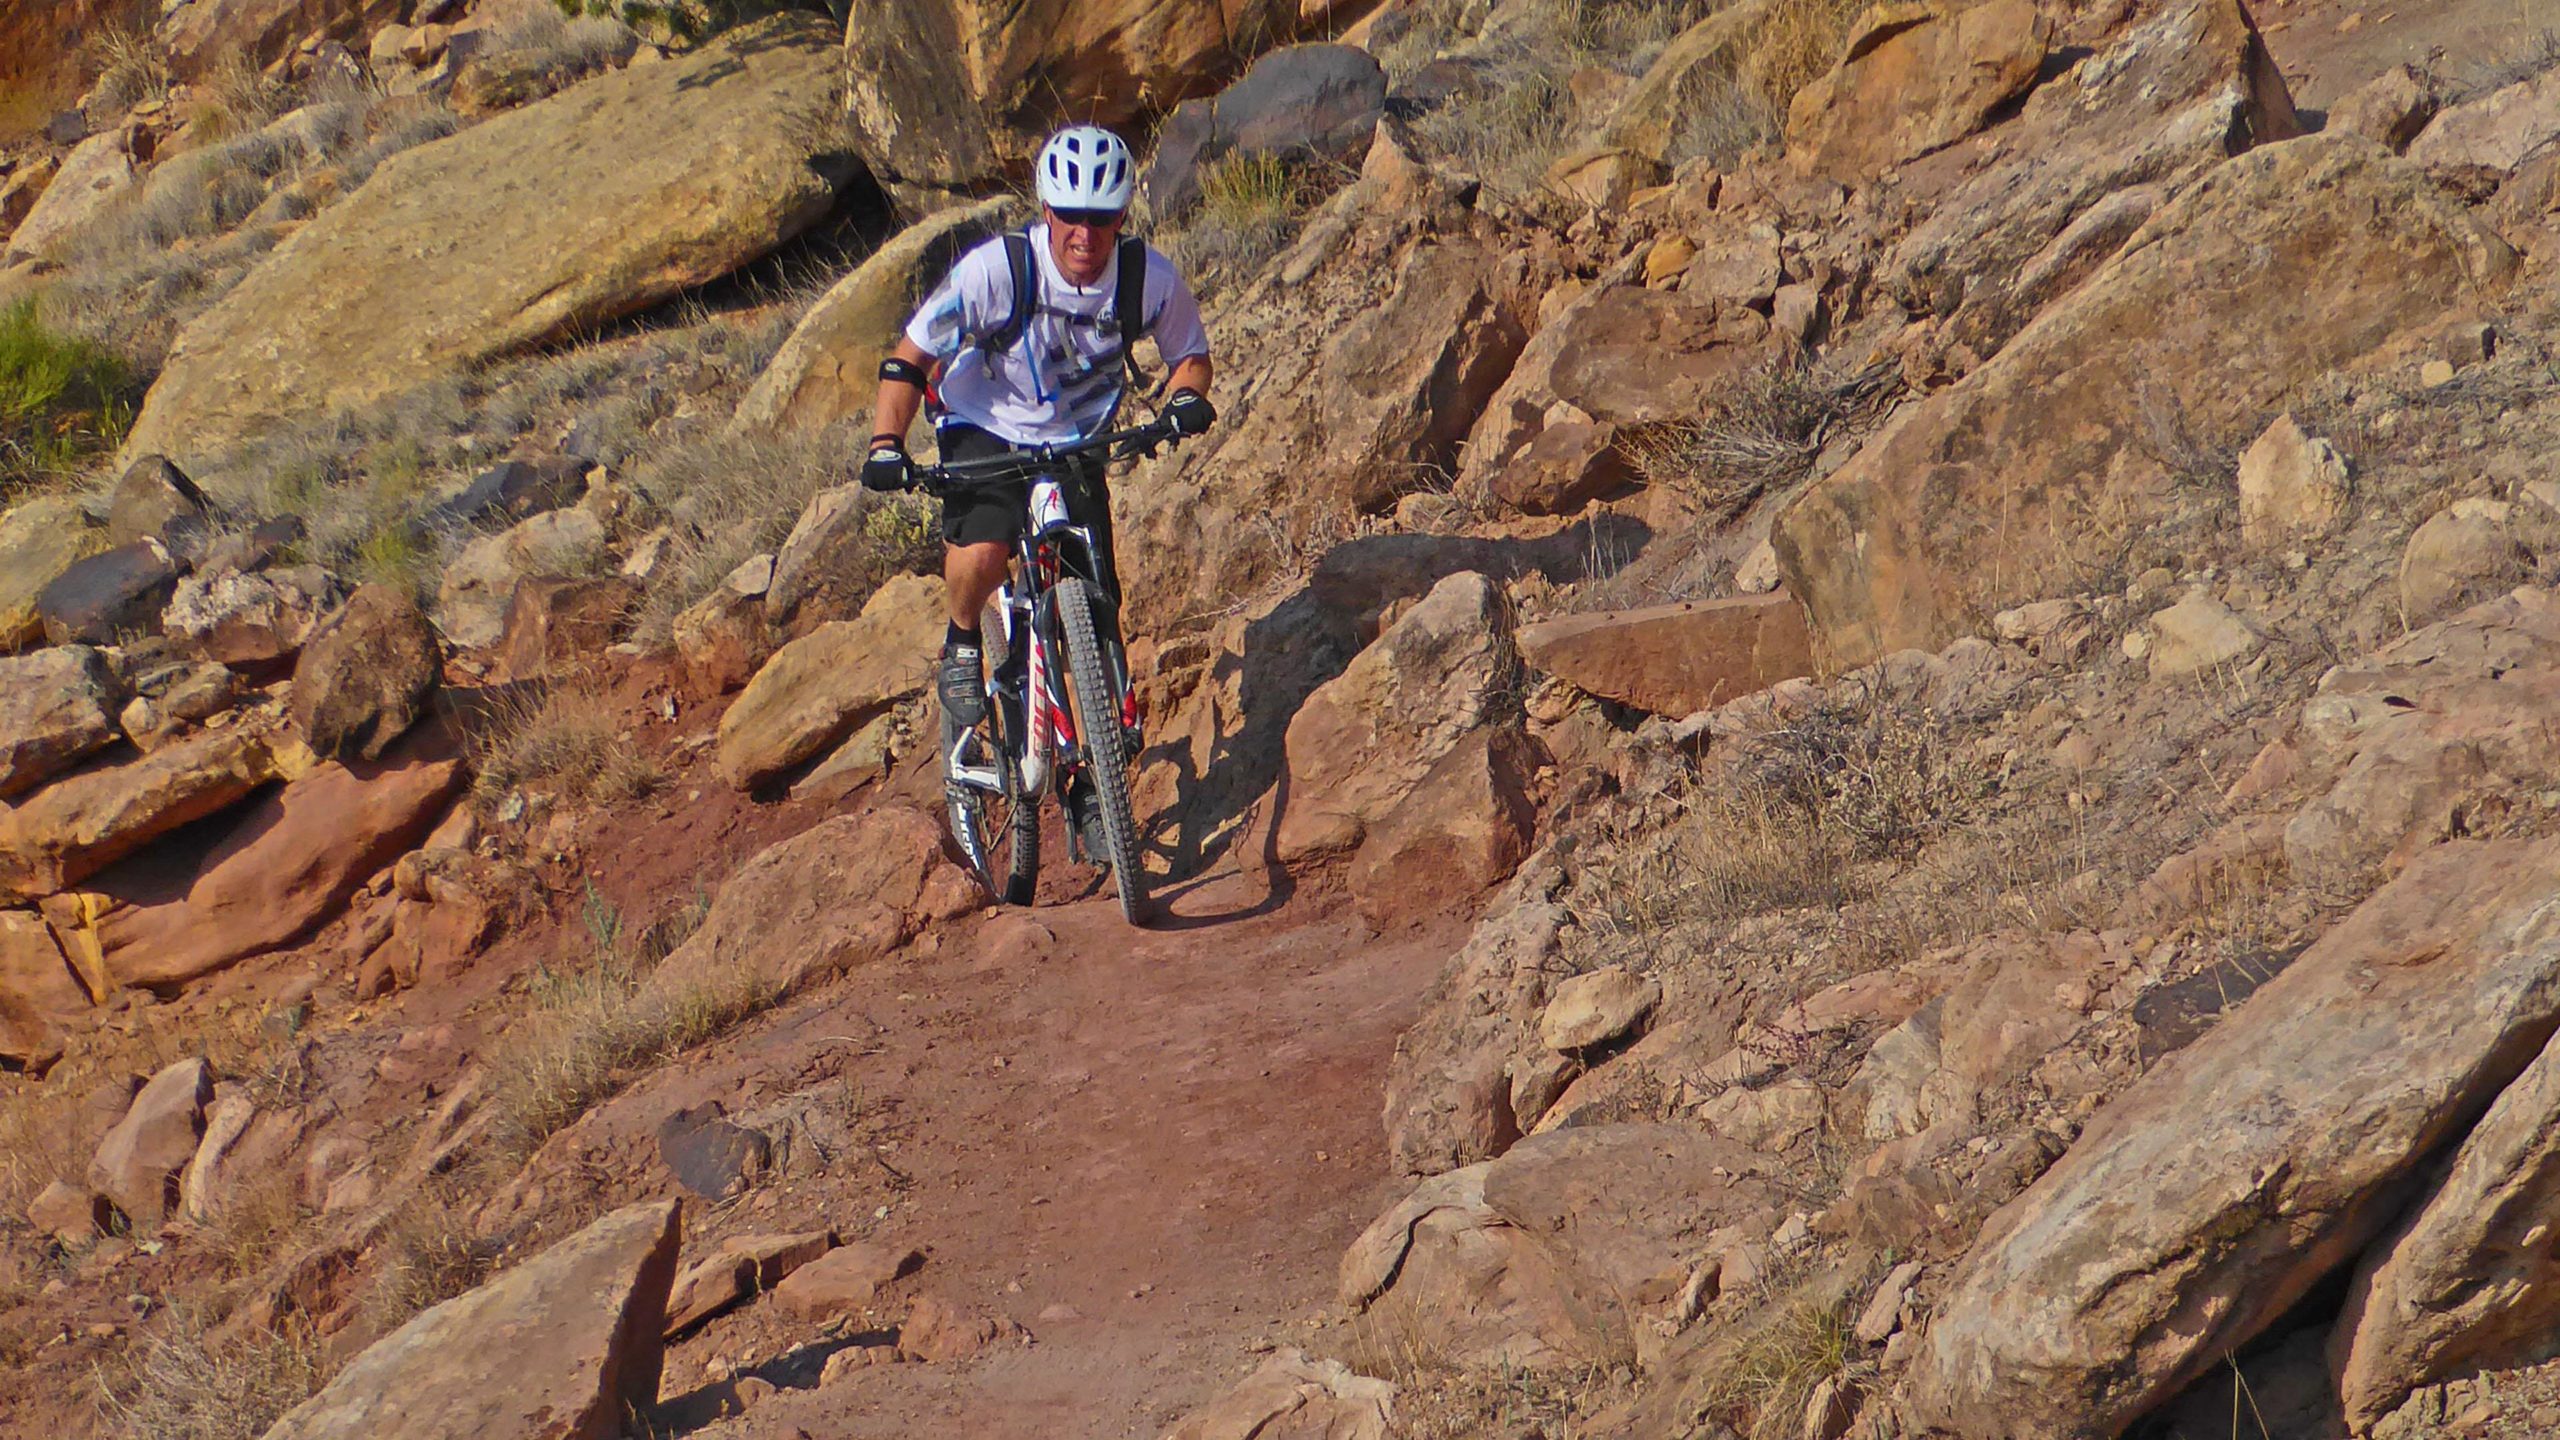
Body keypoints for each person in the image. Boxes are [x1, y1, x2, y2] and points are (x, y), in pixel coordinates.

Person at [860, 124, 1216, 779]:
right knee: (986, 549)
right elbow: (910, 358)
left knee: (1096, 588)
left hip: (1077, 439)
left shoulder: (1146, 278)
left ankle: (1100, 742)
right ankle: (965, 639)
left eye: (1102, 218)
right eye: (1071, 216)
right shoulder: (998, 271)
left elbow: (1188, 356)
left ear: (1122, 216)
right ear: (1046, 210)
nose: (1085, 234)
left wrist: (1184, 400)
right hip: (984, 420)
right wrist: (887, 442)